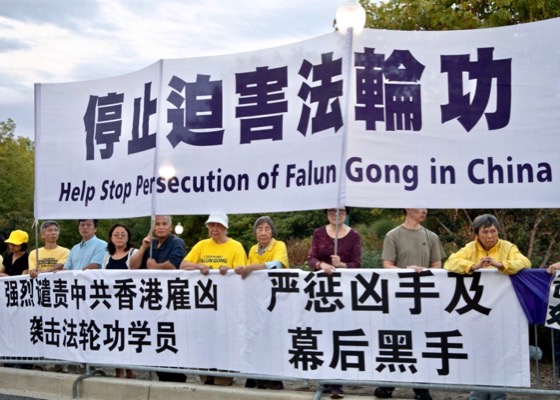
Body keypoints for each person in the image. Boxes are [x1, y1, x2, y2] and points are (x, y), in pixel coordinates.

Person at [444, 214, 530, 400]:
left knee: (501, 354)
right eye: (485, 232)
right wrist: (472, 266)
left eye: (493, 231)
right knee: (479, 353)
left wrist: (501, 265)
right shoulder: (470, 248)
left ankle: (499, 395)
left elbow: (524, 262)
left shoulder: (508, 247)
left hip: (503, 311)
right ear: (477, 234)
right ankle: (478, 394)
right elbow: (450, 262)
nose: (490, 235)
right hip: (477, 311)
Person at [374, 208, 445, 400]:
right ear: (407, 207)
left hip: (423, 298)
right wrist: (406, 271)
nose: (424, 210)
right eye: (419, 206)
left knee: (421, 340)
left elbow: (437, 265)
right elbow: (387, 265)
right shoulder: (393, 235)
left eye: (425, 207)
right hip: (398, 297)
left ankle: (421, 386)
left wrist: (424, 272)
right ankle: (388, 384)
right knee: (397, 339)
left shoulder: (431, 236)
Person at [180, 211, 247, 386]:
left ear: (225, 228)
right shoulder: (202, 245)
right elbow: (183, 265)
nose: (214, 229)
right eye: (211, 225)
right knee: (205, 337)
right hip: (204, 304)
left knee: (225, 338)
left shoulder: (236, 246)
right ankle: (206, 375)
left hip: (227, 304)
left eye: (218, 226)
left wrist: (230, 270)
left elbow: (242, 270)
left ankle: (225, 375)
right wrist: (199, 265)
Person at [308, 207, 361, 399]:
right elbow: (311, 259)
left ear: (346, 214)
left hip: (343, 293)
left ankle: (338, 382)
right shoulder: (319, 233)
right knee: (323, 333)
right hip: (322, 291)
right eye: (331, 211)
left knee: (340, 334)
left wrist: (342, 265)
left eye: (340, 211)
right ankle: (325, 379)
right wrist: (322, 265)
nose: (335, 214)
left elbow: (357, 263)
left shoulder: (354, 235)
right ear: (326, 214)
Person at [129, 215, 186, 382]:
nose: (161, 227)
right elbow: (132, 266)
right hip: (152, 299)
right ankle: (162, 373)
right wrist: (142, 248)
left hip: (172, 298)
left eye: (164, 224)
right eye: (158, 224)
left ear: (171, 226)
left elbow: (173, 265)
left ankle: (176, 376)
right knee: (156, 337)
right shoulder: (151, 245)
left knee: (170, 337)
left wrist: (155, 267)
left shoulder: (177, 243)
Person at [235, 216, 289, 390]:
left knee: (272, 337)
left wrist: (251, 268)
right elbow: (247, 271)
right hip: (256, 301)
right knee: (254, 337)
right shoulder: (252, 249)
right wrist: (242, 269)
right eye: (260, 229)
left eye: (267, 229)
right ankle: (253, 376)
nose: (263, 232)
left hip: (275, 300)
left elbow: (278, 265)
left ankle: (274, 379)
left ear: (272, 231)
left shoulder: (279, 245)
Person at [101, 223, 137, 379]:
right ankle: (118, 372)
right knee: (114, 336)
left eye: (123, 234)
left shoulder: (133, 252)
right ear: (111, 238)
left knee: (128, 337)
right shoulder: (107, 256)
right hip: (111, 303)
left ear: (128, 237)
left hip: (128, 302)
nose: (120, 237)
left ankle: (130, 371)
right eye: (116, 234)